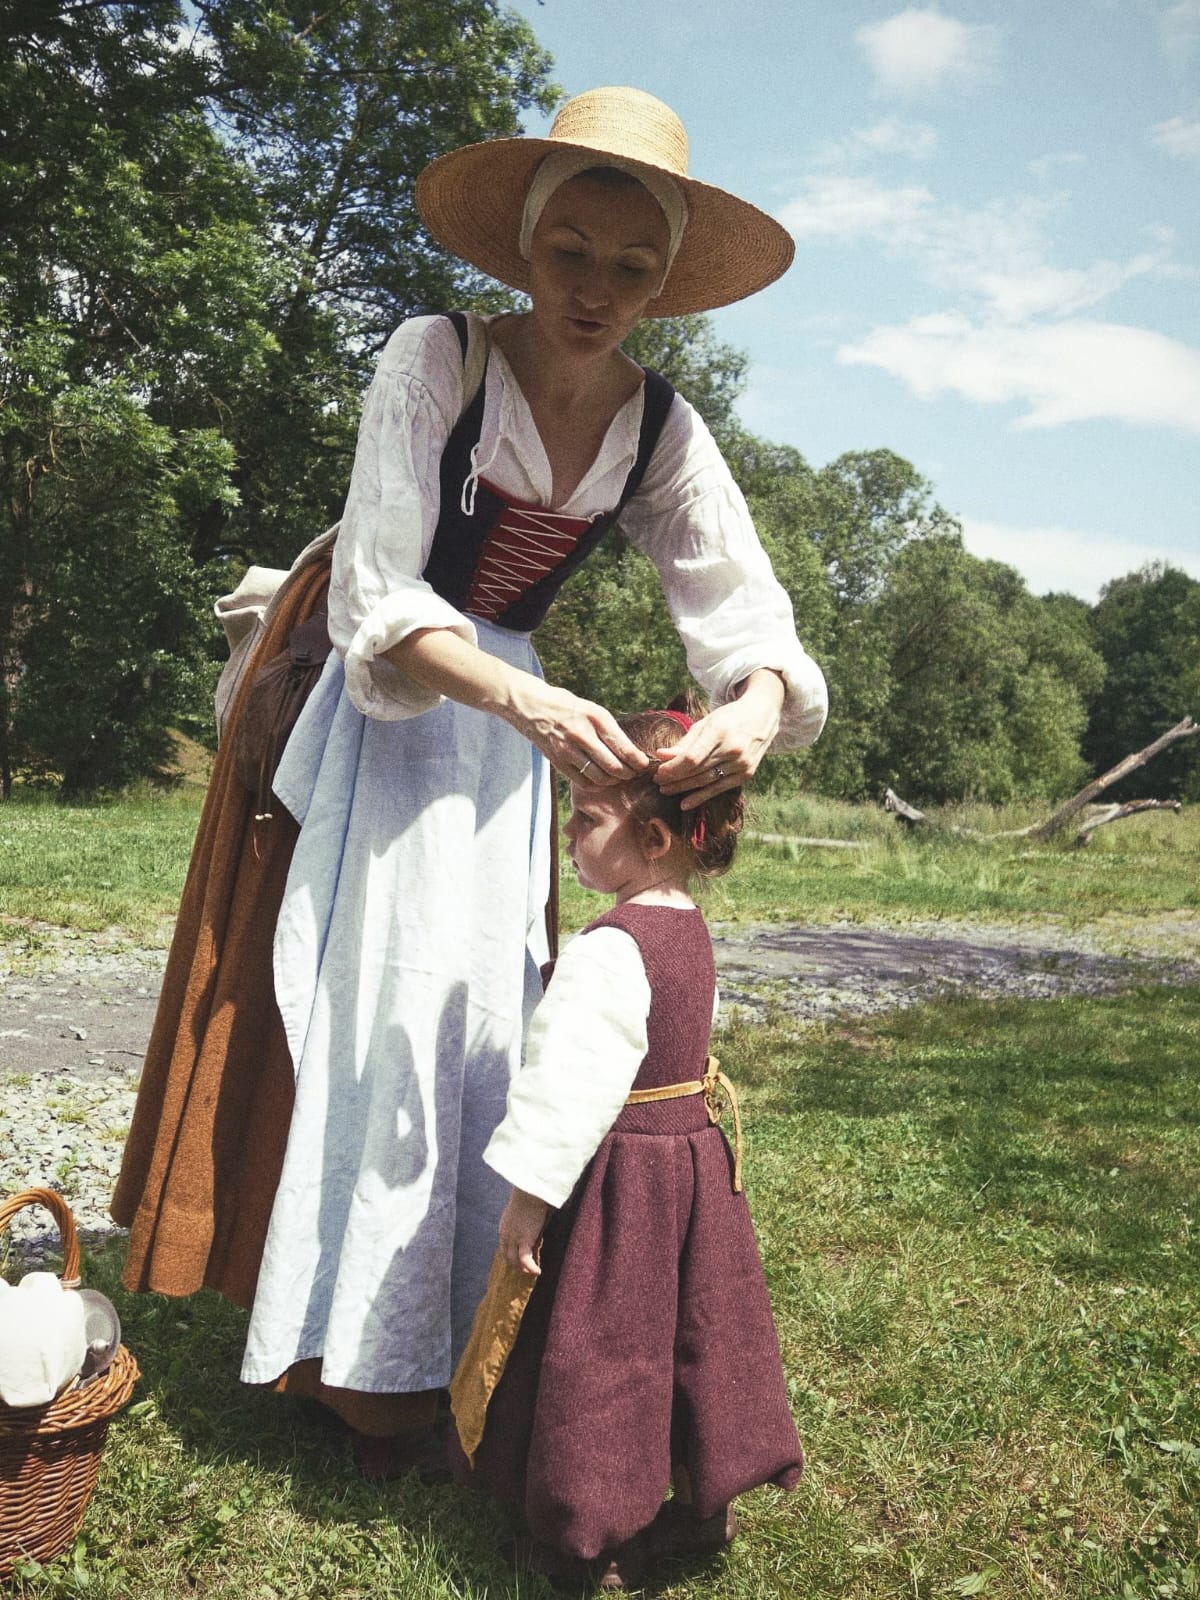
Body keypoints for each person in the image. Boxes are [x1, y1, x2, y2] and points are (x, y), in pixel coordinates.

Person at [113, 84, 827, 1478]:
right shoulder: (438, 356)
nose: (596, 291)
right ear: (526, 245)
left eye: (632, 268)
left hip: (509, 721)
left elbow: (744, 610)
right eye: (572, 253)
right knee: (376, 1001)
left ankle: (449, 1332)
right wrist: (524, 699)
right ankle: (347, 1359)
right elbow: (381, 591)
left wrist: (748, 709)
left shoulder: (661, 427)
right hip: (393, 685)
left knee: (483, 1011)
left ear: (665, 282)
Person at [449, 705, 803, 1592]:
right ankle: (700, 1504)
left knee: (604, 1351)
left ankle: (591, 1538)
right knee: (690, 1334)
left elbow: (565, 1091)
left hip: (623, 1183)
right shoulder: (688, 926)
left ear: (652, 837)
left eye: (586, 818)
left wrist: (525, 1206)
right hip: (692, 1168)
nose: (569, 834)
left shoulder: (609, 950)